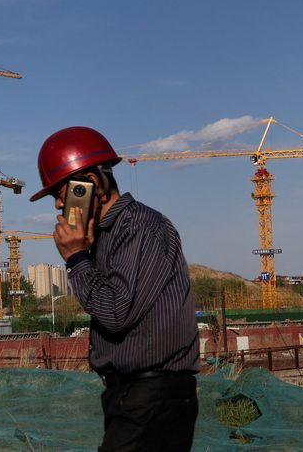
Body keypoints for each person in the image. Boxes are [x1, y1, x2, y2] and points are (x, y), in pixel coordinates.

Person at [30, 126, 200, 452]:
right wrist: (87, 252)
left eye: (62, 192)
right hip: (132, 395)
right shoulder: (105, 235)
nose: (59, 204)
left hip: (155, 394)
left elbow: (115, 311)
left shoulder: (138, 226)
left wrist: (77, 257)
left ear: (92, 183)